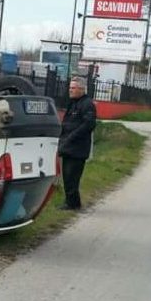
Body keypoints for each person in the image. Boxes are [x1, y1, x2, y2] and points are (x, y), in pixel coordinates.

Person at [57, 76, 97, 210]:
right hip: (68, 146)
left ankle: (72, 203)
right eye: (70, 88)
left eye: (73, 88)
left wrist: (72, 136)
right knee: (67, 178)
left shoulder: (87, 104)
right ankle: (72, 202)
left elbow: (89, 124)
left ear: (81, 89)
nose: (71, 90)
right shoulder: (73, 103)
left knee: (72, 177)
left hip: (78, 148)